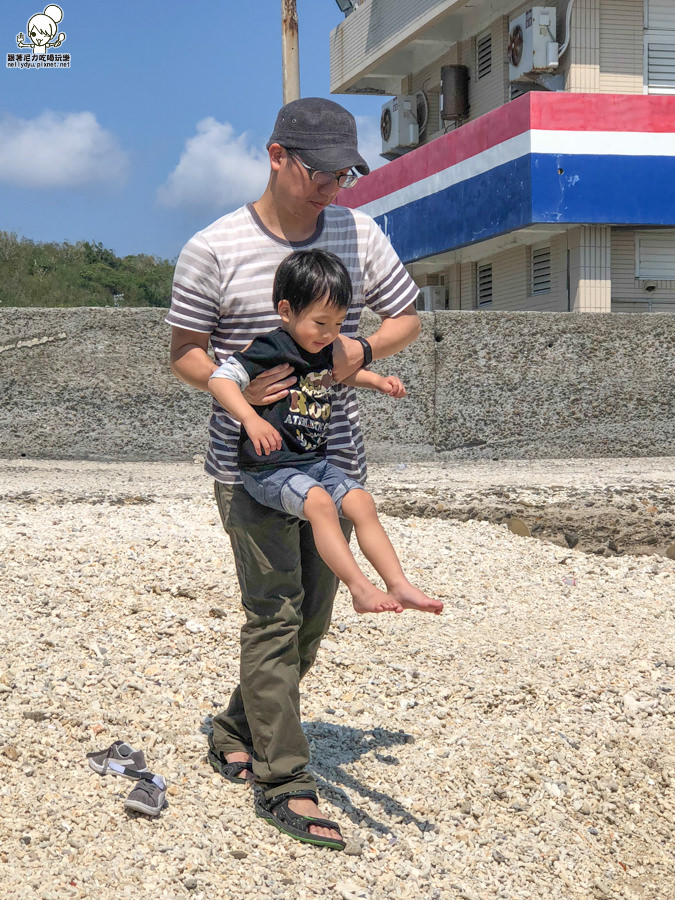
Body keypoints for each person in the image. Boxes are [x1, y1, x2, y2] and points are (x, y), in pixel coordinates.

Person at [167, 97, 426, 851]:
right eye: (321, 172)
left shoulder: (357, 230)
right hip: (248, 470)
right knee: (274, 617)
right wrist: (239, 394)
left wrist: (366, 351)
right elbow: (185, 351)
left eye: (346, 172)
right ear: (276, 156)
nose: (335, 187)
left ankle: (235, 727)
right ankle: (285, 780)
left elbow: (405, 315)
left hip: (332, 459)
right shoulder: (213, 248)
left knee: (312, 621)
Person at [209, 247, 443, 618]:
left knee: (361, 503)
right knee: (318, 502)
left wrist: (377, 381)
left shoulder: (326, 347)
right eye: (321, 323)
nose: (330, 333)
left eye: (338, 323)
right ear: (286, 310)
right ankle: (359, 588)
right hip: (268, 469)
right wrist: (251, 419)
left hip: (312, 463)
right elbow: (220, 379)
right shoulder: (270, 347)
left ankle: (398, 583)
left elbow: (341, 373)